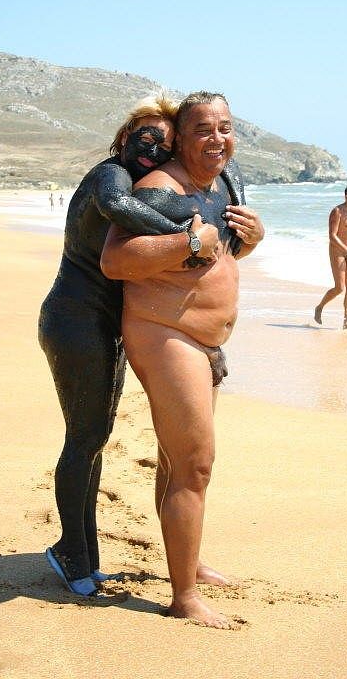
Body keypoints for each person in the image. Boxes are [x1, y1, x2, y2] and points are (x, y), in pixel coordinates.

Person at [38, 95, 245, 597]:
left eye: (163, 144)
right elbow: (119, 238)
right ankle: (73, 551)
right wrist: (188, 239)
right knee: (87, 436)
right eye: (145, 138)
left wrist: (241, 235)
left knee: (147, 447)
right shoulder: (115, 177)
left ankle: (132, 557)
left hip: (113, 319)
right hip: (78, 317)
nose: (154, 149)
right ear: (123, 138)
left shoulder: (179, 181)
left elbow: (218, 241)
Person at [101, 91, 265, 628]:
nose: (218, 138)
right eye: (203, 130)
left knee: (177, 461)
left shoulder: (219, 186)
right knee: (194, 464)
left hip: (206, 341)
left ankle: (186, 563)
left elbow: (222, 253)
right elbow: (116, 258)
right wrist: (187, 242)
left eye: (225, 127)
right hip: (167, 334)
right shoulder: (159, 188)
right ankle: (185, 597)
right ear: (181, 138)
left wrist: (254, 238)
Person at [314, 183, 347, 330]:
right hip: (337, 251)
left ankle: (346, 322)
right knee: (339, 287)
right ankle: (320, 307)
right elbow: (332, 236)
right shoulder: (337, 211)